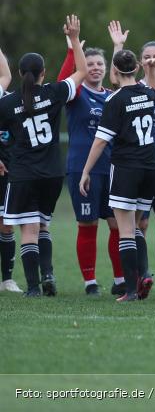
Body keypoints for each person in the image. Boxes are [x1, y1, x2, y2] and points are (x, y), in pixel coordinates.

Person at [0, 16, 86, 297]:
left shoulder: (8, 103)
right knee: (43, 224)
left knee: (28, 230)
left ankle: (34, 287)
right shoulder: (54, 92)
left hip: (24, 173)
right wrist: (74, 40)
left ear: (20, 71)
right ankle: (48, 274)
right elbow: (82, 72)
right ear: (43, 73)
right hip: (52, 173)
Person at [79, 49, 155, 301]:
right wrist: (151, 68)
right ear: (135, 68)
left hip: (127, 167)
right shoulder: (148, 93)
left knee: (125, 231)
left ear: (114, 71)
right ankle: (144, 274)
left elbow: (101, 141)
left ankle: (130, 290)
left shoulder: (114, 100)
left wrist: (85, 171)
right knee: (136, 226)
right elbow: (153, 82)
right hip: (150, 168)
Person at [109, 22, 155, 297]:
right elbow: (116, 79)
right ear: (140, 62)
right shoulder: (136, 87)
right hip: (142, 163)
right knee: (138, 223)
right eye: (148, 56)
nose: (153, 59)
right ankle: (142, 276)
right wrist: (117, 46)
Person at [58, 30, 121, 296]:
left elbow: (123, 77)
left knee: (117, 224)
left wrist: (118, 46)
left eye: (99, 65)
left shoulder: (113, 95)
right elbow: (61, 83)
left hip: (112, 169)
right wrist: (73, 50)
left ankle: (120, 279)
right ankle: (90, 282)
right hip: (81, 168)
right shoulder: (77, 93)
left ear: (107, 69)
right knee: (88, 224)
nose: (95, 68)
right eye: (91, 64)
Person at [0, 45, 20, 293]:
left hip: (7, 173)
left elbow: (6, 75)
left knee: (6, 224)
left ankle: (7, 279)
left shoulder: (10, 101)